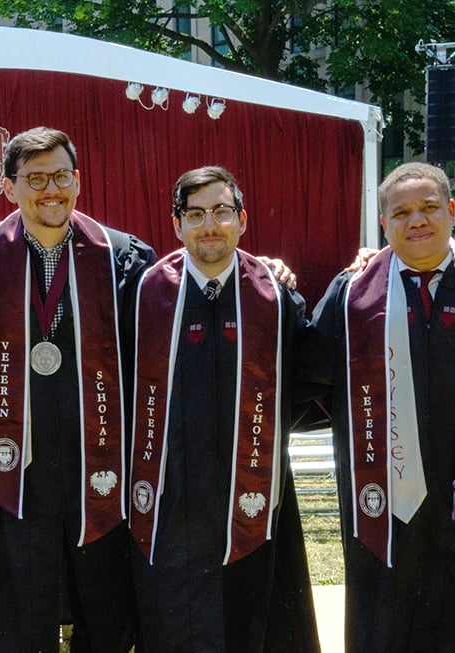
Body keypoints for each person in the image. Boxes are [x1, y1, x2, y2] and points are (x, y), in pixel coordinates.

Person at [0, 126, 155, 652]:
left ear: (78, 181)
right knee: (15, 613)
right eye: (35, 179)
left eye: (60, 176)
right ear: (8, 187)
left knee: (103, 610)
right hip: (14, 470)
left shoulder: (119, 256)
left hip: (97, 466)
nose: (50, 189)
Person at [296, 162, 455, 651]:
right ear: (384, 224)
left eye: (430, 208)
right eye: (402, 212)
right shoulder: (352, 294)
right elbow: (308, 379)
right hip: (385, 507)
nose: (417, 220)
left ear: (452, 211)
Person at [128, 166, 319, 652]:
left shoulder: (275, 296)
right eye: (195, 214)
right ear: (176, 226)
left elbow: (306, 379)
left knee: (251, 620)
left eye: (221, 212)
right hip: (174, 494)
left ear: (243, 219)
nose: (209, 225)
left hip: (250, 482)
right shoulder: (144, 292)